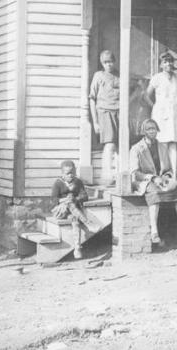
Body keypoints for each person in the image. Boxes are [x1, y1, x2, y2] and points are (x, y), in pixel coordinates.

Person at [130, 118, 177, 246]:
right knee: (155, 194)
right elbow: (135, 173)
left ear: (157, 130)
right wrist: (153, 178)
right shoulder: (136, 149)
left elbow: (168, 169)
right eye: (148, 129)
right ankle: (154, 232)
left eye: (154, 128)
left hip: (162, 181)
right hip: (145, 181)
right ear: (143, 131)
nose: (152, 131)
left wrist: (166, 178)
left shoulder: (162, 147)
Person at [145, 51, 177, 180]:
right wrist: (155, 107)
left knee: (173, 143)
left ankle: (174, 176)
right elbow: (146, 96)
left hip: (174, 112)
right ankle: (163, 174)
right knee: (162, 143)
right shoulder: (157, 78)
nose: (168, 64)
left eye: (170, 61)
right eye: (165, 62)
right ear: (161, 65)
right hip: (160, 113)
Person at [49, 160, 96, 259]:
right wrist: (65, 200)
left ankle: (77, 248)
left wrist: (75, 199)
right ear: (62, 174)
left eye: (72, 173)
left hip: (74, 211)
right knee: (69, 203)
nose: (71, 175)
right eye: (68, 173)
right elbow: (53, 200)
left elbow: (84, 196)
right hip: (60, 211)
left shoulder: (78, 182)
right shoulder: (58, 183)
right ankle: (88, 223)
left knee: (75, 221)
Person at [89, 49, 120, 184]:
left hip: (119, 112)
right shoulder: (99, 76)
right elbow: (92, 98)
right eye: (106, 62)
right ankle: (107, 175)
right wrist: (95, 122)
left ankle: (119, 174)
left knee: (121, 145)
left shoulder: (119, 76)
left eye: (111, 61)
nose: (109, 65)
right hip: (105, 111)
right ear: (102, 63)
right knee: (110, 143)